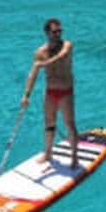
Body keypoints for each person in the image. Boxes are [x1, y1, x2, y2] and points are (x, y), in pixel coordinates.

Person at [20, 19, 78, 169]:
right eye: (54, 32)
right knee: (49, 123)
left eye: (60, 31)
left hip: (66, 92)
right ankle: (48, 153)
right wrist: (26, 95)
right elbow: (32, 74)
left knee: (69, 124)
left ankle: (74, 158)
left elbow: (62, 56)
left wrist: (43, 64)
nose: (58, 34)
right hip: (51, 92)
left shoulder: (67, 45)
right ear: (47, 33)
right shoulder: (40, 52)